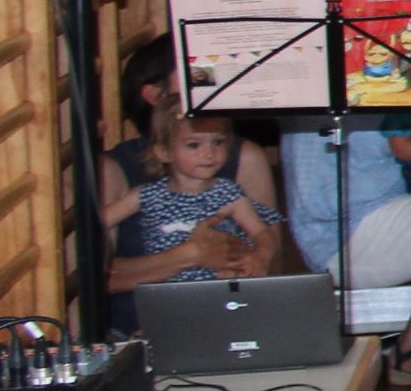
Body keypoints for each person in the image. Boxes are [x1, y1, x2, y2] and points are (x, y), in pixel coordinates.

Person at [102, 100, 289, 314]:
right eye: (193, 145)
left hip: (218, 294)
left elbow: (261, 232)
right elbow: (99, 222)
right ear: (164, 152)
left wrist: (261, 256)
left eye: (217, 142)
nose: (209, 153)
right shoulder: (147, 194)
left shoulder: (228, 194)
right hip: (165, 296)